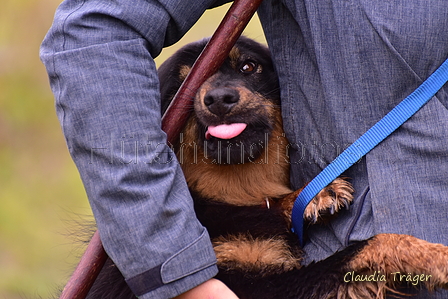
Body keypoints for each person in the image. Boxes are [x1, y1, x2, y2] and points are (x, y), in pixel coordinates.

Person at [40, 0, 448, 298]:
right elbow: (91, 30)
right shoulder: (200, 238)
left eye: (248, 68)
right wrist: (182, 277)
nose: (218, 95)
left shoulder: (294, 213)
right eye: (188, 89)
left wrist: (285, 208)